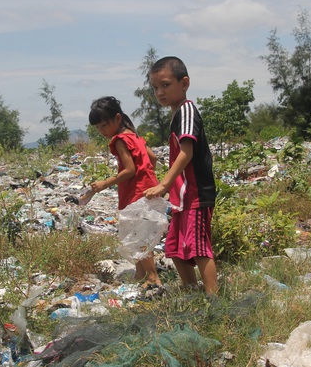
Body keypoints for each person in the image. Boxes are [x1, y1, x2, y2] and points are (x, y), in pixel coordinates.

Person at [144, 56, 218, 296]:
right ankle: (190, 291)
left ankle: (213, 300)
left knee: (198, 248)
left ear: (184, 83)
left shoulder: (186, 110)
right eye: (155, 88)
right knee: (175, 248)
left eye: (166, 85)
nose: (160, 92)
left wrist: (164, 184)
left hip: (196, 194)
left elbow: (187, 152)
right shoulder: (177, 114)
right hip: (181, 197)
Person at [88, 96, 162, 288]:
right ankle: (140, 272)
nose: (102, 131)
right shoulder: (135, 136)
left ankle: (153, 277)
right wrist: (147, 176)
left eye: (104, 125)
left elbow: (129, 170)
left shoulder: (120, 140)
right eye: (98, 128)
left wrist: (106, 183)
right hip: (148, 189)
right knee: (138, 231)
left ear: (118, 118)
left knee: (138, 235)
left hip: (136, 193)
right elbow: (152, 158)